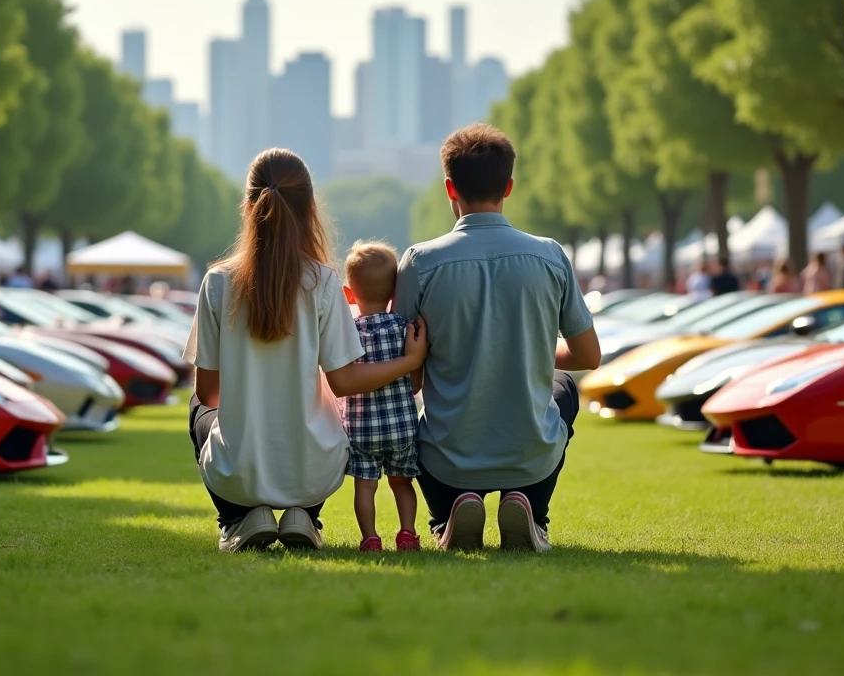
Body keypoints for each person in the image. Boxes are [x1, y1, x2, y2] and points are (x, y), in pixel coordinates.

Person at [183, 148, 427, 552]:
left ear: (248, 204)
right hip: (314, 469)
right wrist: (410, 361)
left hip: (239, 469)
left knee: (196, 406)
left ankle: (239, 518)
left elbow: (210, 393)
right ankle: (304, 515)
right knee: (326, 405)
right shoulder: (324, 281)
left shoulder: (217, 282)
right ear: (310, 208)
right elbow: (345, 381)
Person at [394, 123, 601, 553]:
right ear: (509, 185)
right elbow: (589, 355)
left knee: (420, 415)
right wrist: (532, 352)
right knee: (563, 387)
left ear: (450, 189)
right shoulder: (549, 255)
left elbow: (408, 379)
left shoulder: (419, 261)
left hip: (447, 458)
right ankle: (528, 507)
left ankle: (447, 516)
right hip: (529, 453)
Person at [336, 241, 424, 553]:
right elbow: (414, 385)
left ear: (349, 294)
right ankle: (408, 534)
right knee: (402, 483)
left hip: (362, 431)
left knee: (365, 486)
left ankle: (370, 538)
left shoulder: (347, 333)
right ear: (394, 292)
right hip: (401, 427)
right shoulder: (405, 330)